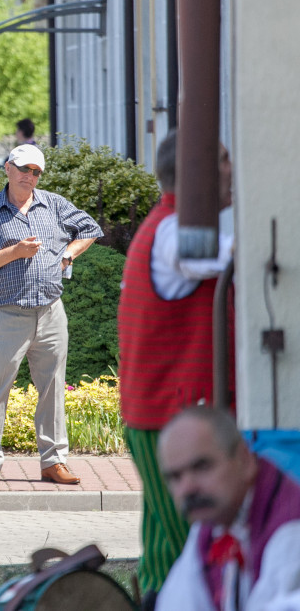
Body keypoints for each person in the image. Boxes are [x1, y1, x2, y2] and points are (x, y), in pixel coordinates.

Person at [119, 129, 236, 599]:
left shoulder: (165, 225)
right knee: (190, 542)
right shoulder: (174, 233)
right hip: (171, 416)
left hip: (162, 413)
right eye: (224, 159)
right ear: (198, 173)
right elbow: (231, 257)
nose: (233, 168)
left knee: (166, 541)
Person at [0, 144, 102, 487]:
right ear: (7, 168)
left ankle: (54, 462)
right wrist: (15, 252)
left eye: (36, 171)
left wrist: (67, 256)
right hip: (8, 313)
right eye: (24, 168)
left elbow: (91, 228)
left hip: (51, 310)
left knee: (52, 389)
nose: (30, 176)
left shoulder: (52, 203)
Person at [157, 406, 300, 610]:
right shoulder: (212, 520)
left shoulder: (290, 531)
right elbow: (178, 602)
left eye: (202, 466)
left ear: (244, 460)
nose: (187, 488)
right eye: (175, 477)